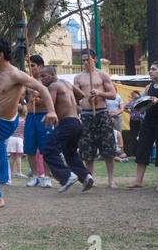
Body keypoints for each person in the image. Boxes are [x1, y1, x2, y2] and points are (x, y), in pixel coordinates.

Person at [0, 38, 58, 208]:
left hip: (4, 123)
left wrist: (51, 110)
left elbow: (43, 89)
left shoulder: (15, 74)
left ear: (0, 55)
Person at [39, 65, 94, 193]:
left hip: (67, 123)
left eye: (43, 76)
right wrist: (67, 103)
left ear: (52, 75)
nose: (41, 79)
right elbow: (80, 94)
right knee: (70, 153)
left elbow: (50, 104)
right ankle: (86, 176)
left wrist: (41, 95)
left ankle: (66, 176)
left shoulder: (53, 86)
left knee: (48, 151)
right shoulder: (66, 83)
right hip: (77, 122)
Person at [74, 49, 118, 189]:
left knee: (108, 147)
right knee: (87, 149)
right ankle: (90, 178)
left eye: (88, 59)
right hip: (86, 114)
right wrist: (80, 102)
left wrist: (99, 93)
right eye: (84, 60)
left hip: (102, 113)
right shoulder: (78, 77)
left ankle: (111, 180)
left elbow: (113, 95)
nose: (86, 63)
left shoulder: (102, 75)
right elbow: (75, 96)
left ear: (95, 59)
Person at [128, 61, 158, 191]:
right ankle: (138, 181)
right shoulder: (148, 87)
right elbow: (145, 105)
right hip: (148, 121)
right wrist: (139, 106)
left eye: (153, 69)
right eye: (150, 69)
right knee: (142, 149)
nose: (150, 71)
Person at [22, 55, 53, 188]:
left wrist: (39, 93)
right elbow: (22, 97)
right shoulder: (27, 81)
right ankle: (35, 176)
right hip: (30, 116)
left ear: (40, 66)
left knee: (46, 147)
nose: (30, 68)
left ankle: (46, 176)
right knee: (30, 148)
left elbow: (51, 97)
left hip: (43, 116)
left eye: (33, 65)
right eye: (29, 65)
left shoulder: (46, 82)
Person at [7, 104, 27, 179]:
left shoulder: (13, 121)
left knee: (12, 156)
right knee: (18, 156)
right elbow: (24, 132)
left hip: (11, 138)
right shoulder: (24, 122)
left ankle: (12, 172)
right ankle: (19, 172)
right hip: (19, 139)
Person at [123, 90, 142, 156]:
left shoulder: (141, 101)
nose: (133, 95)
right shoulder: (131, 103)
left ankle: (140, 151)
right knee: (133, 135)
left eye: (134, 94)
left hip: (140, 120)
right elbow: (124, 108)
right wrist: (129, 113)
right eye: (132, 94)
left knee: (141, 135)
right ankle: (135, 152)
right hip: (133, 120)